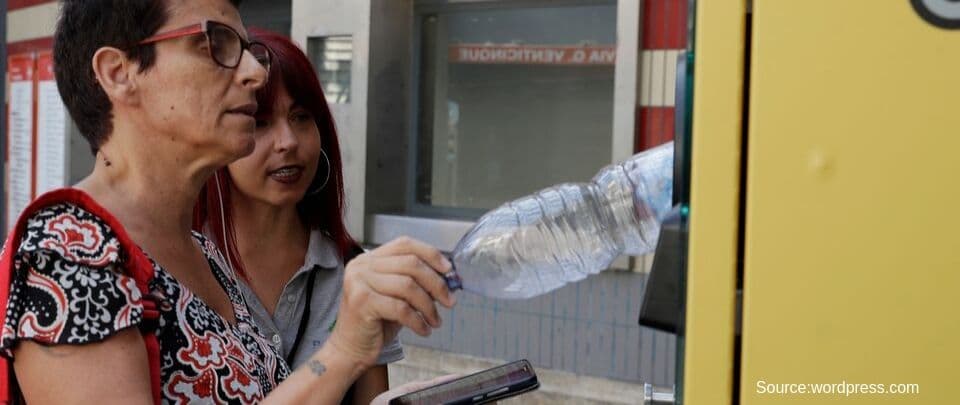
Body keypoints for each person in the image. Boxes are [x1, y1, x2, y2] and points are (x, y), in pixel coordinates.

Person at [0, 1, 454, 403]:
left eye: (246, 49)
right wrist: (342, 353)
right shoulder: (67, 251)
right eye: (215, 43)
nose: (254, 74)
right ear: (120, 73)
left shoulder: (205, 254)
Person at [193, 29, 400, 403]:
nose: (288, 141)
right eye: (260, 122)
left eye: (302, 117)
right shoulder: (182, 268)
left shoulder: (353, 273)